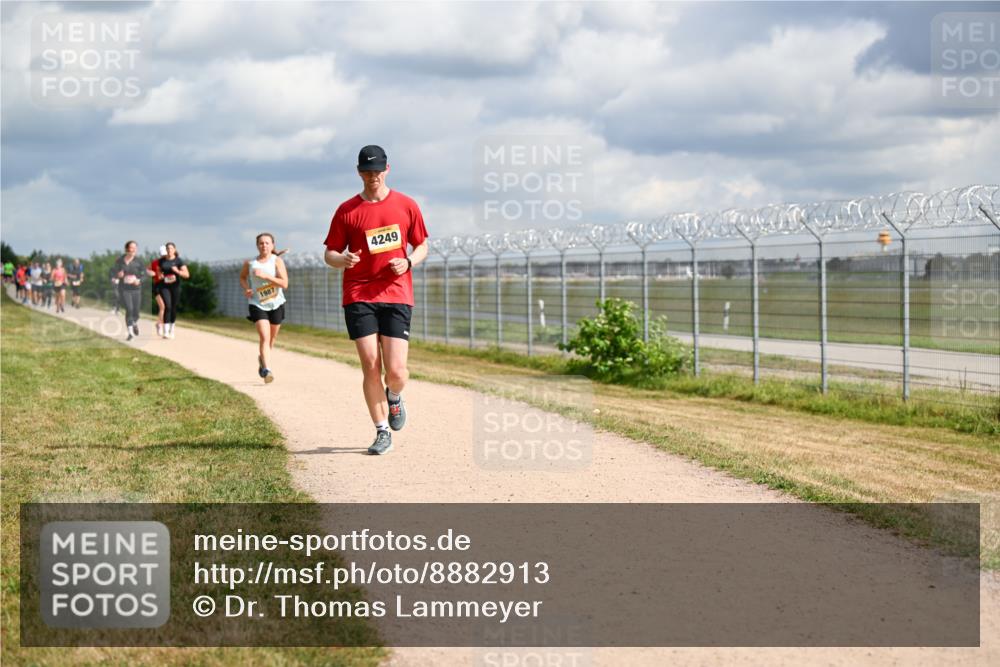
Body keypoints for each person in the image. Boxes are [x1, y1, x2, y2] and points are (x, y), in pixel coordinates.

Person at [323, 145, 429, 455]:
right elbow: (329, 253)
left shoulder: (406, 205)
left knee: (396, 371)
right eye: (367, 172)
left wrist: (408, 262)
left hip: (397, 293)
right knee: (371, 364)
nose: (373, 177)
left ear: (387, 170)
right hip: (359, 293)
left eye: (377, 171)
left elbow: (422, 245)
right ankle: (382, 431)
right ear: (359, 172)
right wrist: (342, 259)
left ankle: (394, 397)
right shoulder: (347, 210)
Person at [240, 232, 288, 383]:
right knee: (264, 337)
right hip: (257, 303)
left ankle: (262, 359)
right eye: (261, 243)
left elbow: (284, 284)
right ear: (257, 246)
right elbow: (242, 277)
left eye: (267, 243)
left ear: (272, 245)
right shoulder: (250, 263)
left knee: (272, 339)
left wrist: (266, 277)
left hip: (276, 303)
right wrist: (247, 288)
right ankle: (267, 370)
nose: (264, 245)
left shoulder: (277, 261)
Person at [113, 240, 145, 340]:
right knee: (129, 309)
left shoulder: (139, 261)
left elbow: (144, 275)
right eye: (132, 247)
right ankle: (130, 332)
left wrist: (139, 281)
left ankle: (134, 323)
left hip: (136, 289)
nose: (134, 250)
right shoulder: (119, 261)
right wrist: (119, 275)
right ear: (127, 249)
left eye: (135, 248)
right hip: (124, 289)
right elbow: (114, 273)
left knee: (136, 312)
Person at [157, 242, 189, 339]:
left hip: (175, 286)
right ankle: (166, 331)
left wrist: (177, 271)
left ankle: (172, 329)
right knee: (167, 306)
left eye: (171, 248)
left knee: (173, 307)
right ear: (166, 250)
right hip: (164, 286)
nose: (169, 250)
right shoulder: (162, 261)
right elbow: (158, 272)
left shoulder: (179, 261)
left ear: (174, 249)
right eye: (167, 248)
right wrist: (160, 275)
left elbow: (187, 275)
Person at [147, 246, 166, 336]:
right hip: (157, 286)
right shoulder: (155, 263)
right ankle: (159, 325)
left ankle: (159, 324)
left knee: (165, 308)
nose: (164, 256)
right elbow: (147, 270)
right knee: (162, 307)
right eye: (162, 254)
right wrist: (151, 273)